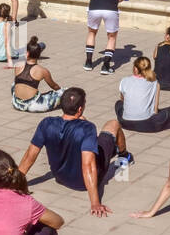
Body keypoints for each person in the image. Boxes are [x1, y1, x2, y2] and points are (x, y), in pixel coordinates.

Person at [18, 87, 133, 218]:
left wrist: (13, 182)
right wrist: (95, 202)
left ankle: (105, 148)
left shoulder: (46, 123)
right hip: (83, 183)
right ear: (80, 109)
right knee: (113, 124)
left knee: (83, 126)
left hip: (60, 177)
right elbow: (88, 165)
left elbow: (30, 156)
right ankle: (124, 155)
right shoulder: (88, 128)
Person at [116, 55, 170, 132]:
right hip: (147, 124)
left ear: (135, 68)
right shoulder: (154, 82)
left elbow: (123, 100)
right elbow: (155, 109)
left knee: (118, 104)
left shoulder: (124, 80)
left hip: (125, 123)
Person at [10, 37, 62, 112]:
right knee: (64, 92)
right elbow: (54, 86)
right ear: (39, 55)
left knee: (14, 83)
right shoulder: (43, 70)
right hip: (33, 105)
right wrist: (61, 92)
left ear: (27, 53)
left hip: (16, 103)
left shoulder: (18, 64)